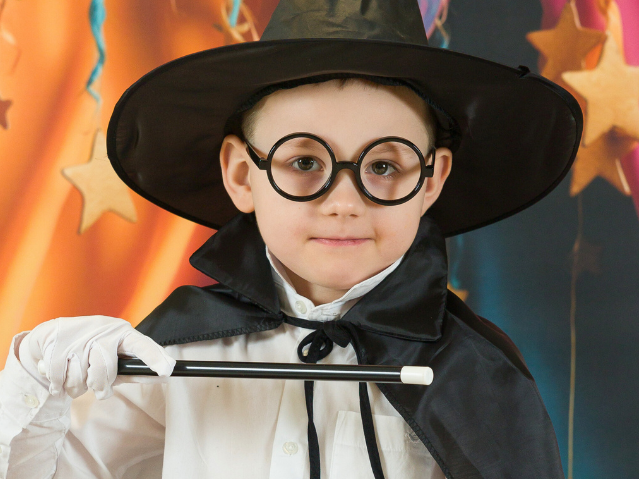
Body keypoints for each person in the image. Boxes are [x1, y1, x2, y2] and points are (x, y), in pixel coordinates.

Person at [0, 0, 582, 478]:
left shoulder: (474, 377)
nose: (344, 203)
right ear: (241, 174)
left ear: (431, 180)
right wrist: (34, 384)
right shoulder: (178, 351)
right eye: (304, 161)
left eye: (384, 166)